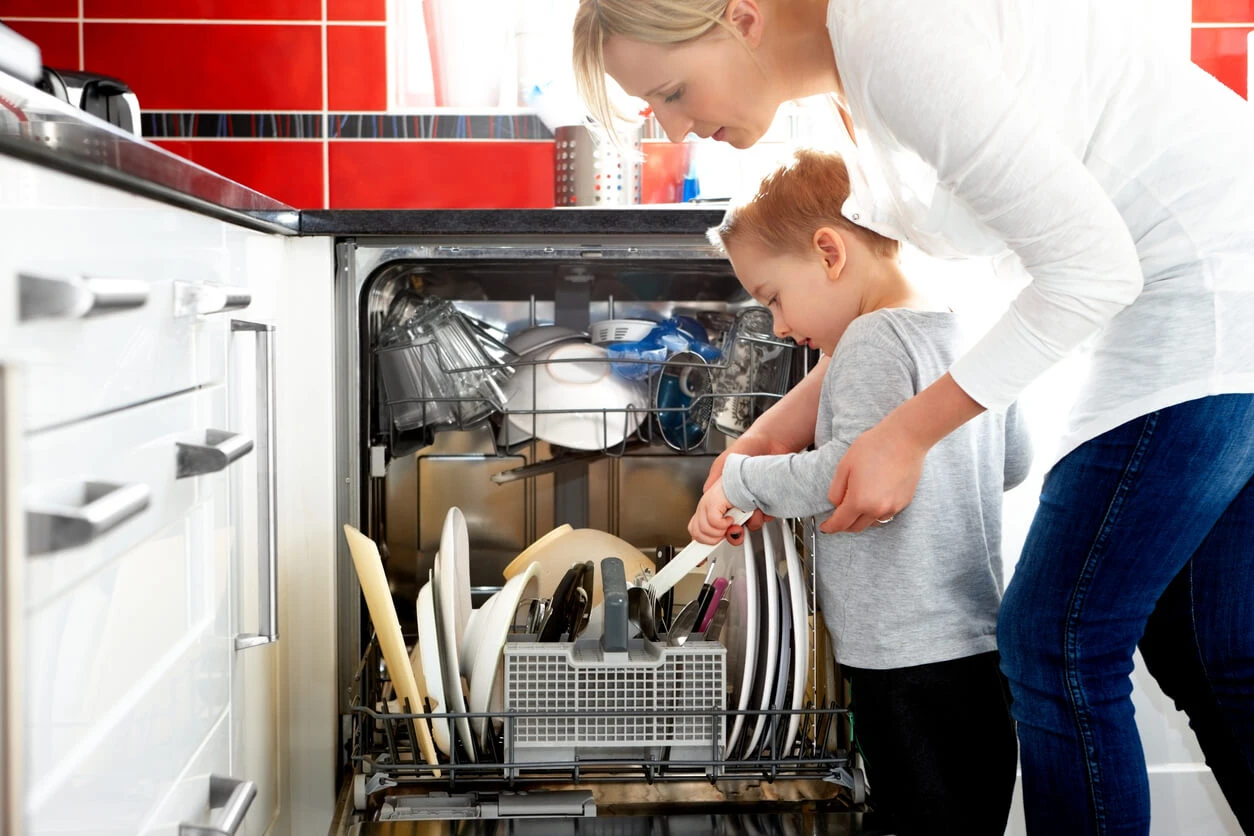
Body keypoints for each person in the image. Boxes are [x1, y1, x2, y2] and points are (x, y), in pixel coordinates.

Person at [573, 1, 1254, 834]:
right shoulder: (849, 88)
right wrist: (763, 436)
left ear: (741, 17)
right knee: (1214, 650)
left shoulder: (893, 34)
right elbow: (934, 303)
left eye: (673, 92)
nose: (675, 128)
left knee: (1057, 642)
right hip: (1204, 302)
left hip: (1203, 305)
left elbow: (1089, 269)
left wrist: (904, 434)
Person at [688, 147, 1030, 834]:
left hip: (900, 656)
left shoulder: (872, 340)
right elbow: (1013, 461)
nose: (780, 326)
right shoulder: (966, 329)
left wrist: (741, 478)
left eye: (774, 298)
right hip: (976, 645)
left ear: (829, 252)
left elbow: (839, 474)